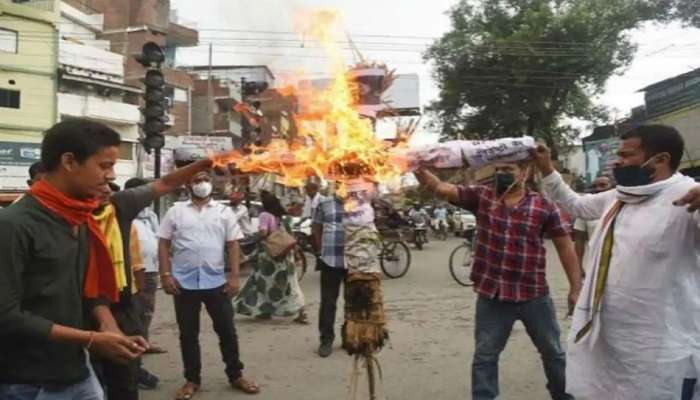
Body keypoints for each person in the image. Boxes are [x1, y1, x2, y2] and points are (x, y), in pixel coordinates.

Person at [533, 125, 700, 399]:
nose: (617, 162)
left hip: (662, 349)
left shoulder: (688, 198)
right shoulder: (621, 197)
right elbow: (576, 205)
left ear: (661, 160)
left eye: (626, 155)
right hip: (613, 340)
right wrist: (546, 168)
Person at [0, 119, 148, 400]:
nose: (111, 176)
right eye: (104, 166)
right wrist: (91, 339)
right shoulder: (13, 225)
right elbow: (5, 315)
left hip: (77, 372)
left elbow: (87, 290)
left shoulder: (77, 219)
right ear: (69, 161)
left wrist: (108, 326)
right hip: (27, 384)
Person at [414, 161, 582, 400]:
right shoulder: (481, 197)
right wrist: (418, 169)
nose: (502, 174)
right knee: (485, 357)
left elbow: (565, 246)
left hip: (534, 295)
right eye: (499, 170)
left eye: (509, 169)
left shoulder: (543, 206)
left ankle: (563, 396)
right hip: (492, 296)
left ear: (524, 171)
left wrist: (576, 288)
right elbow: (442, 188)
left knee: (553, 353)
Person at [159, 171, 260, 399]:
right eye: (196, 180)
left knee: (226, 330)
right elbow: (164, 244)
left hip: (216, 282)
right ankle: (192, 380)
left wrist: (234, 277)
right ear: (188, 184)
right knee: (188, 334)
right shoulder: (176, 211)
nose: (201, 184)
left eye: (204, 179)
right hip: (183, 283)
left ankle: (236, 375)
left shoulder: (223, 212)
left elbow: (233, 245)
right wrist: (166, 275)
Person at [234, 191, 308, 323]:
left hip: (270, 256)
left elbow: (264, 233)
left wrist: (256, 237)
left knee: (261, 283)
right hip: (285, 254)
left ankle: (288, 310)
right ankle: (269, 311)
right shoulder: (283, 217)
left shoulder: (264, 215)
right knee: (289, 283)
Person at [124, 177, 166, 357]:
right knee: (134, 310)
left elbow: (158, 239)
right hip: (133, 270)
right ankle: (133, 344)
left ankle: (144, 342)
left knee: (148, 309)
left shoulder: (151, 215)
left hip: (151, 268)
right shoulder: (124, 215)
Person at [312, 189, 346, 358]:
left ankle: (350, 337)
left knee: (354, 302)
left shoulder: (361, 203)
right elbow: (316, 227)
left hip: (354, 260)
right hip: (330, 260)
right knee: (328, 302)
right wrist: (319, 250)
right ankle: (326, 339)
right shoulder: (324, 203)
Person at [572, 176, 614, 275]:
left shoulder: (620, 205)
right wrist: (578, 265)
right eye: (595, 186)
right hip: (596, 263)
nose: (598, 188)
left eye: (603, 185)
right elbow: (579, 240)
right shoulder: (586, 211)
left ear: (612, 187)